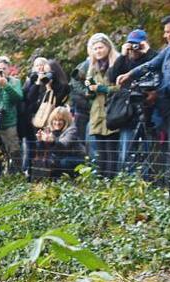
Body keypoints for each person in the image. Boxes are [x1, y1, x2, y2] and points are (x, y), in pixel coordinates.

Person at [117, 12, 170, 174]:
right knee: (163, 146)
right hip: (164, 104)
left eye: (167, 31)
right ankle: (164, 182)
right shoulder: (168, 50)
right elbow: (152, 64)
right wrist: (130, 74)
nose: (164, 35)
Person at [109, 29, 158, 173]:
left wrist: (147, 51)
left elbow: (156, 66)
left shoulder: (151, 57)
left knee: (148, 152)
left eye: (137, 45)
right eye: (132, 45)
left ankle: (147, 182)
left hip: (148, 110)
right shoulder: (125, 60)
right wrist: (122, 55)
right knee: (126, 152)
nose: (134, 49)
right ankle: (126, 181)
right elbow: (112, 77)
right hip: (128, 112)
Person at [72, 34, 119, 177]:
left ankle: (112, 182)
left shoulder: (117, 64)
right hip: (97, 114)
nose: (98, 51)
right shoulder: (91, 67)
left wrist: (101, 89)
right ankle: (101, 182)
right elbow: (88, 92)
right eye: (95, 48)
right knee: (99, 152)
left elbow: (121, 88)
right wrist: (89, 90)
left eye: (101, 47)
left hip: (113, 112)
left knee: (112, 151)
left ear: (108, 47)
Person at [21, 58, 70, 175]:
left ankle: (53, 173)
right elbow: (30, 99)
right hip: (40, 121)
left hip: (55, 122)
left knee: (51, 148)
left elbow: (56, 103)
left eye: (48, 71)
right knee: (37, 147)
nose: (46, 73)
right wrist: (39, 82)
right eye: (44, 71)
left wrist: (49, 89)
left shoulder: (63, 86)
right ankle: (35, 172)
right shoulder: (41, 83)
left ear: (55, 72)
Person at [31, 107, 86, 179]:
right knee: (47, 162)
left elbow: (64, 145)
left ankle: (69, 180)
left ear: (66, 121)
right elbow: (41, 150)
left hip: (74, 158)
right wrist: (40, 140)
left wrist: (52, 141)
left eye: (60, 120)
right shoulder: (48, 129)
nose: (57, 123)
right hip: (57, 159)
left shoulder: (72, 130)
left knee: (62, 162)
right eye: (55, 120)